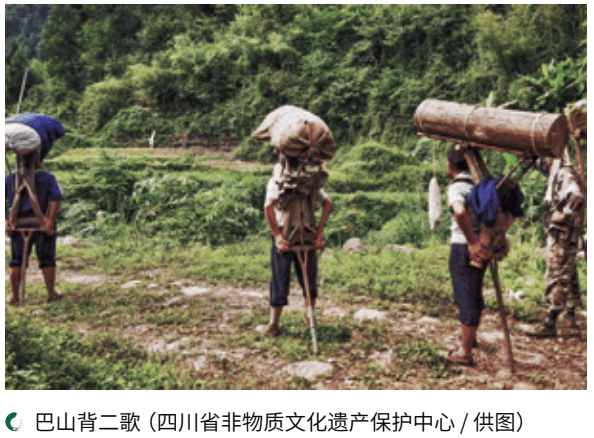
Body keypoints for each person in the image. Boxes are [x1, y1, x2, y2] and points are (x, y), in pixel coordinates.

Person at [264, 158, 333, 337]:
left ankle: (273, 325)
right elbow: (328, 203)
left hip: (286, 236)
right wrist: (319, 233)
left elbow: (268, 206)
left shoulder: (277, 181)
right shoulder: (310, 182)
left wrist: (277, 236)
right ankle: (310, 320)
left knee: (280, 279)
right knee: (309, 279)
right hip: (307, 235)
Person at [529, 151, 585, 336]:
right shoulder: (558, 171)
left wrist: (564, 214)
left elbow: (576, 196)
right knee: (568, 271)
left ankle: (550, 322)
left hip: (563, 234)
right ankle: (570, 314)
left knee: (558, 274)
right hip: (564, 234)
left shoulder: (564, 173)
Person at [445, 147, 490, 366]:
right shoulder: (478, 184)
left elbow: (459, 211)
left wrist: (471, 241)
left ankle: (465, 353)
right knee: (474, 292)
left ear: (450, 165)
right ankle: (471, 340)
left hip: (465, 247)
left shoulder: (457, 187)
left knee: (465, 297)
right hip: (483, 246)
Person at [5, 148, 64, 305]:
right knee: (47, 259)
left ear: (19, 160)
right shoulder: (47, 178)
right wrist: (50, 221)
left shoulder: (9, 178)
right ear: (39, 161)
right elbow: (56, 199)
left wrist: (7, 220)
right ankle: (51, 292)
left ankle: (14, 296)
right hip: (41, 225)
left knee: (17, 261)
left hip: (18, 226)